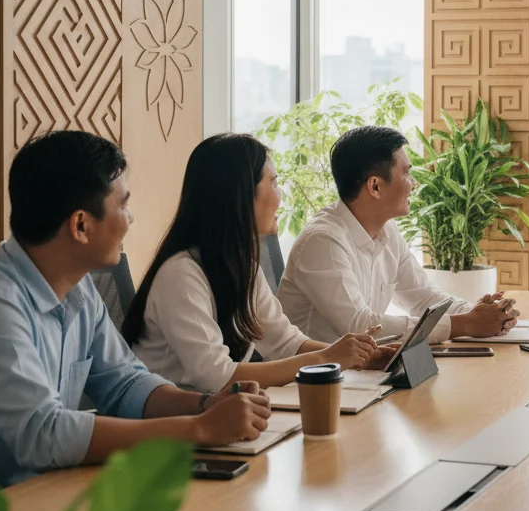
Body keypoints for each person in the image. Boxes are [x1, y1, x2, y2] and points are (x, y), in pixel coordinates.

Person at [0, 132, 271, 487]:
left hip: (54, 489)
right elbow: (42, 432)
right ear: (81, 225)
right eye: (123, 205)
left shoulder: (78, 286)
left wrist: (205, 405)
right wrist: (200, 428)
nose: (131, 219)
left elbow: (125, 384)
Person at [124, 134, 384, 394]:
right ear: (242, 194)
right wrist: (326, 358)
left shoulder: (242, 266)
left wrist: (360, 355)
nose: (281, 195)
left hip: (220, 415)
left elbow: (286, 343)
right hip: (174, 425)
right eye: (274, 182)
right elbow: (219, 377)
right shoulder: (181, 274)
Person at [276, 126, 519, 344]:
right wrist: (466, 324)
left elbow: (423, 297)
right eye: (406, 173)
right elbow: (360, 326)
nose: (413, 183)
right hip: (307, 384)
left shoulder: (387, 231)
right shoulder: (323, 241)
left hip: (361, 374)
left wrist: (478, 313)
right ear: (375, 186)